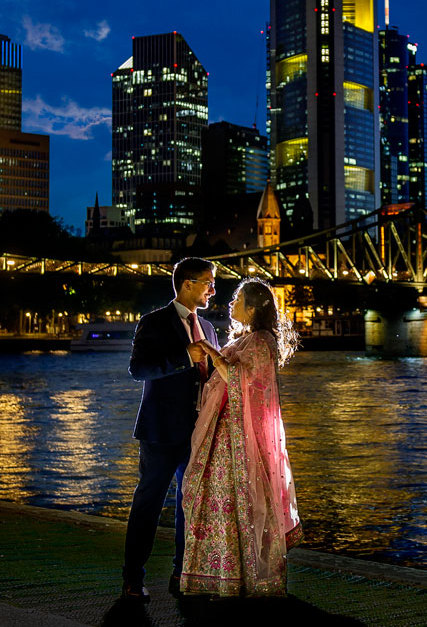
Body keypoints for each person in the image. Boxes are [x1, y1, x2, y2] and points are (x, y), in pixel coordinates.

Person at [180, 278, 302, 596]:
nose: (231, 305)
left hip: (240, 437)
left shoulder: (261, 341)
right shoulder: (248, 339)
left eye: (237, 300)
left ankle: (240, 574)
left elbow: (243, 381)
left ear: (251, 308)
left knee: (240, 502)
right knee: (219, 502)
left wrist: (212, 353)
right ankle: (222, 572)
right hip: (225, 433)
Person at [119, 257, 220, 602]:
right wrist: (184, 357)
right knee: (148, 503)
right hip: (161, 431)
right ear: (188, 284)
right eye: (208, 282)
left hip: (198, 431)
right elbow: (138, 369)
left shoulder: (208, 329)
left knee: (190, 507)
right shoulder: (154, 322)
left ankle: (183, 572)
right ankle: (133, 578)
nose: (212, 289)